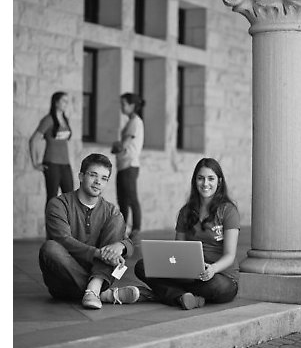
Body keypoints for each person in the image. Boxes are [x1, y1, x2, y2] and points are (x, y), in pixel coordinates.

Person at [39, 153, 149, 310]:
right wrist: (98, 254)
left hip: (98, 271)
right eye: (93, 175)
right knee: (50, 248)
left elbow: (129, 245)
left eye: (104, 178)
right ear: (81, 176)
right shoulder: (59, 204)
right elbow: (64, 240)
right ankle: (102, 293)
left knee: (117, 220)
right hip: (65, 278)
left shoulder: (111, 211)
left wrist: (121, 246)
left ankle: (95, 287)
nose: (98, 182)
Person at [135, 157, 240, 310]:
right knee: (142, 266)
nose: (205, 184)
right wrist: (172, 266)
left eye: (211, 179)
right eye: (200, 178)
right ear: (194, 181)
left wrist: (212, 269)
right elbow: (178, 251)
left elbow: (230, 255)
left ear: (220, 182)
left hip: (219, 276)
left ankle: (167, 294)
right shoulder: (186, 212)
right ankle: (183, 297)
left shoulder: (228, 211)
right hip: (190, 275)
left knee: (219, 288)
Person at [111, 93, 145, 245]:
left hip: (129, 166)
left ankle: (136, 231)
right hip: (124, 166)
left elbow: (121, 146)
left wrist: (116, 146)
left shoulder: (135, 122)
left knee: (131, 199)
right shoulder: (131, 121)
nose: (121, 107)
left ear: (132, 105)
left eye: (123, 104)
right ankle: (122, 231)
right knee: (123, 200)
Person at [29, 91, 74, 205]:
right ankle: (50, 223)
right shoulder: (48, 120)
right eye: (63, 101)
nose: (66, 104)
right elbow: (33, 140)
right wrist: (35, 163)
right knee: (52, 198)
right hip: (52, 163)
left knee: (70, 197)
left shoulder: (65, 120)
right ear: (56, 102)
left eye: (67, 101)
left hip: (65, 164)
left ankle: (66, 223)